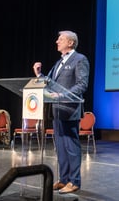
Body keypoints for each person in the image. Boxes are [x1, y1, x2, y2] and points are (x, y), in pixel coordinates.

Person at [33, 30, 90, 194]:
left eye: (61, 39)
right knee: (60, 148)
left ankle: (75, 181)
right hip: (56, 111)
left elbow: (81, 85)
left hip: (69, 110)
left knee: (71, 147)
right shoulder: (59, 63)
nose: (57, 41)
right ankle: (64, 179)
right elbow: (49, 83)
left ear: (70, 43)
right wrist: (39, 75)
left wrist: (62, 95)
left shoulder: (80, 59)